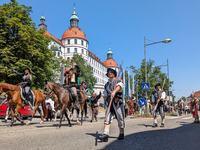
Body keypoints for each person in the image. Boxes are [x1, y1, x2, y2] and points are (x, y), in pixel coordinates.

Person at [98, 68, 124, 142]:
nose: (109, 73)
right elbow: (105, 94)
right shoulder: (106, 84)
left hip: (117, 102)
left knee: (120, 118)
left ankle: (121, 132)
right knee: (107, 118)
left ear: (114, 73)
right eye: (108, 72)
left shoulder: (118, 81)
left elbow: (119, 87)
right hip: (109, 102)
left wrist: (114, 91)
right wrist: (104, 102)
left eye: (111, 72)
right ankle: (105, 135)